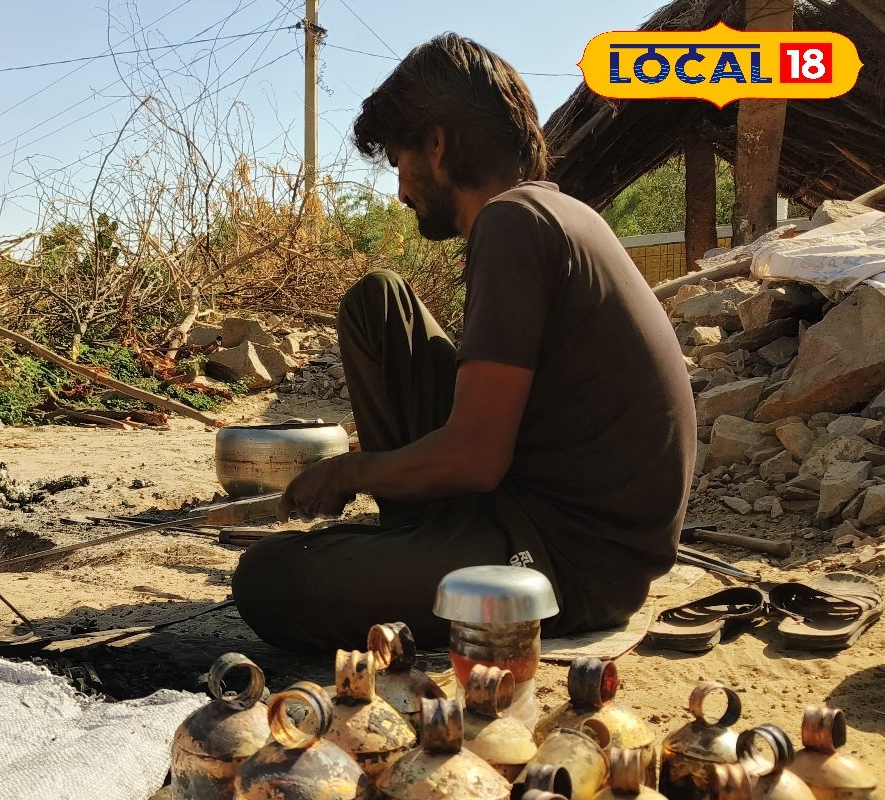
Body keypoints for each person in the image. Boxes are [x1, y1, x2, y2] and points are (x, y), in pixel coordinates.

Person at [231, 33, 696, 653]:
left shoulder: (511, 224)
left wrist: (355, 471)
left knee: (271, 576)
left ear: (438, 144)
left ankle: (416, 546)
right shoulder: (547, 215)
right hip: (528, 509)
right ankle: (423, 537)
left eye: (400, 161)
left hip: (567, 563)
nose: (399, 190)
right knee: (380, 301)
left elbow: (476, 458)